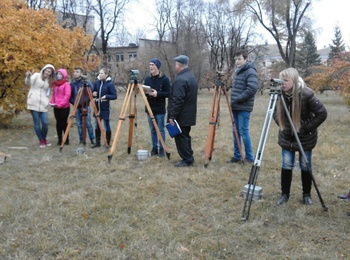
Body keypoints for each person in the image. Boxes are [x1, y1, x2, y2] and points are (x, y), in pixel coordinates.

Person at [273, 68, 327, 205]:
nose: (282, 83)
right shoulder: (279, 94)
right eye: (281, 80)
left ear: (294, 81)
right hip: (287, 137)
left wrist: (305, 129)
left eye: (286, 81)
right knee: (286, 164)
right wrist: (283, 125)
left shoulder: (306, 94)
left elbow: (322, 113)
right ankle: (285, 194)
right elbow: (274, 112)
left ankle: (306, 195)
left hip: (305, 138)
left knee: (305, 165)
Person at [227, 49, 259, 164]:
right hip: (236, 106)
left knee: (243, 131)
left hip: (244, 107)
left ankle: (249, 157)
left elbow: (252, 88)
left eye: (239, 59)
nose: (237, 61)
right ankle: (237, 156)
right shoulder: (238, 71)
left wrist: (238, 99)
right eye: (235, 59)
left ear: (246, 59)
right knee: (235, 131)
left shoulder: (250, 71)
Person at [167, 55, 198, 167]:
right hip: (188, 113)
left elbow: (178, 100)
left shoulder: (181, 79)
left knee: (181, 137)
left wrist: (172, 116)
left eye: (176, 64)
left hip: (182, 115)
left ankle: (187, 159)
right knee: (185, 136)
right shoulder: (191, 76)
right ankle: (189, 156)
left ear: (179, 65)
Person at [143, 58, 171, 157]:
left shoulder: (164, 79)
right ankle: (155, 148)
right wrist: (145, 92)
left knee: (160, 129)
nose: (151, 67)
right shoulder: (147, 79)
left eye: (153, 65)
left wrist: (157, 94)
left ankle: (162, 148)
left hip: (159, 109)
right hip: (149, 108)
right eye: (150, 65)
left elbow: (168, 93)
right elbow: (144, 92)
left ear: (157, 67)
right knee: (152, 130)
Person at [25, 64, 55, 148]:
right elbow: (28, 83)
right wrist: (28, 77)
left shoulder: (49, 81)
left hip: (43, 104)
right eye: (47, 70)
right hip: (33, 102)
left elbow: (48, 92)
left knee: (45, 123)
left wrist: (47, 101)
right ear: (44, 70)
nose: (47, 73)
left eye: (49, 72)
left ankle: (44, 138)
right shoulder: (36, 75)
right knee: (37, 122)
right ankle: (41, 140)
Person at [91, 68, 117, 148]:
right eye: (100, 73)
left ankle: (107, 143)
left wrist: (106, 96)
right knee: (97, 125)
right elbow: (93, 92)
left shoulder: (110, 84)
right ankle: (97, 142)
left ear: (106, 75)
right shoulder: (97, 83)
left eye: (102, 73)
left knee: (106, 125)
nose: (100, 75)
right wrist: (93, 94)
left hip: (105, 107)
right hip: (97, 107)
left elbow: (114, 96)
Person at [69, 67, 95, 145]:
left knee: (88, 123)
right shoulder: (72, 84)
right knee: (79, 124)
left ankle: (92, 139)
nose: (75, 73)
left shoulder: (86, 83)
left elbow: (91, 93)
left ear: (81, 73)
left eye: (77, 72)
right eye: (74, 72)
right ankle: (81, 139)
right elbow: (69, 96)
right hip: (76, 107)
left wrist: (86, 101)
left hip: (86, 106)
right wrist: (74, 102)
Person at [50, 69, 72, 145]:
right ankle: (59, 139)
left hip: (64, 107)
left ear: (63, 75)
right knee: (58, 123)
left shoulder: (66, 84)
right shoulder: (55, 84)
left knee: (63, 123)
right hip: (56, 107)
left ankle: (66, 138)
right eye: (57, 74)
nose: (58, 75)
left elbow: (67, 95)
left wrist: (61, 104)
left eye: (60, 74)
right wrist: (52, 102)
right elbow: (54, 95)